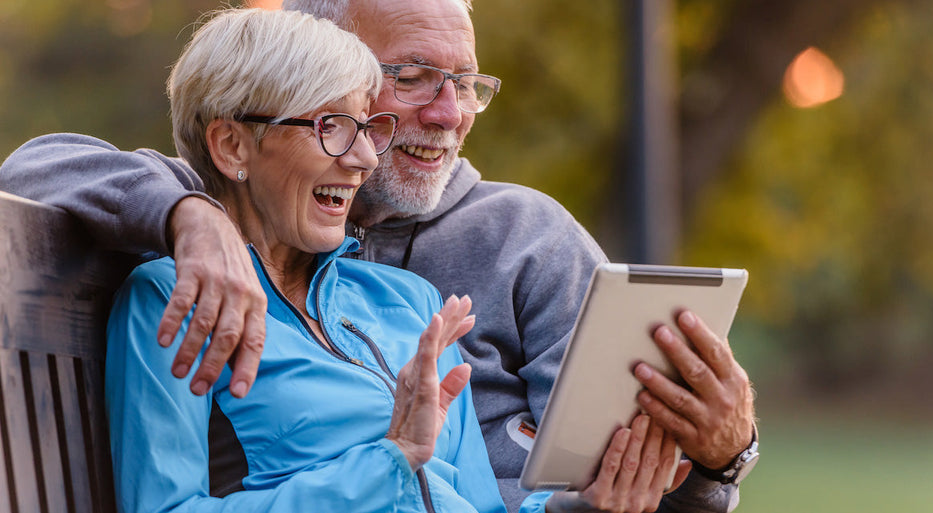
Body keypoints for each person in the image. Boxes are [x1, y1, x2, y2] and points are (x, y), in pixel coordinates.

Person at [0, 0, 757, 511]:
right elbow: (40, 165)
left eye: (463, 84)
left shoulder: (416, 301)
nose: (366, 153)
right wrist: (190, 216)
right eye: (412, 78)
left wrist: (704, 464)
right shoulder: (182, 279)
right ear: (233, 145)